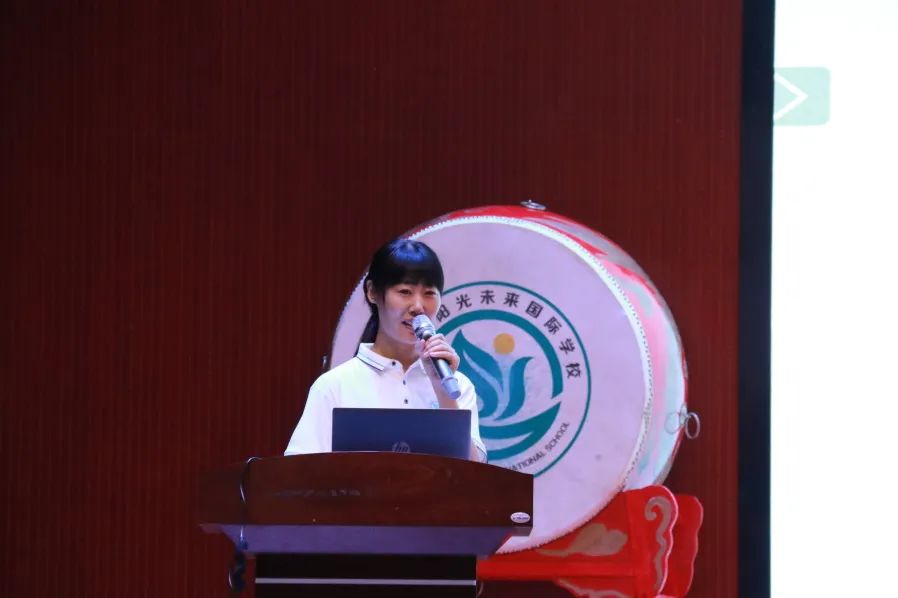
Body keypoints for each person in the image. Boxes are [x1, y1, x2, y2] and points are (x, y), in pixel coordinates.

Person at [284, 238, 487, 462]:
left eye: (429, 293)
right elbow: (299, 470)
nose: (418, 306)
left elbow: (475, 472)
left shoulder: (457, 385)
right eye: (405, 291)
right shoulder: (335, 385)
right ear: (372, 292)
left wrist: (443, 390)